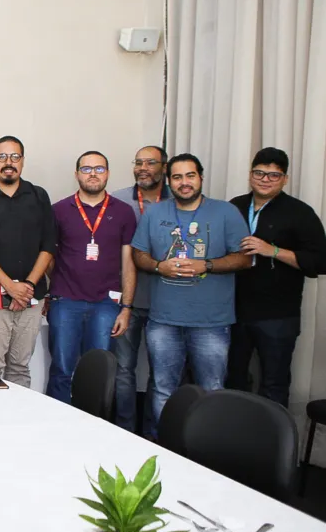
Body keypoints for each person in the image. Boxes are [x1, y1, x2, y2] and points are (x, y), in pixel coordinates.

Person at [131, 153, 251, 423]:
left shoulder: (226, 212)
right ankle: (166, 450)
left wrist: (205, 265)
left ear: (201, 177)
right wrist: (159, 266)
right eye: (177, 177)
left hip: (211, 322)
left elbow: (244, 259)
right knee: (163, 389)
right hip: (163, 319)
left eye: (190, 176)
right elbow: (139, 255)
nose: (184, 182)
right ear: (168, 180)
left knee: (212, 391)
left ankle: (207, 454)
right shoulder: (155, 212)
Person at [228, 148, 326, 406]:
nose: (265, 179)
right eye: (260, 172)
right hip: (233, 311)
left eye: (274, 174)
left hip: (278, 316)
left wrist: (273, 251)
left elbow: (320, 261)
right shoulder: (234, 206)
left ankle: (272, 443)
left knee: (274, 384)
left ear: (285, 179)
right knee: (233, 379)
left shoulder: (300, 212)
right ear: (250, 175)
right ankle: (230, 439)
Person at [45, 152, 137, 403]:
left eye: (99, 169)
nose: (93, 174)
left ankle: (93, 430)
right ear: (76, 175)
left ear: (107, 173)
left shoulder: (123, 212)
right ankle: (57, 428)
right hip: (65, 303)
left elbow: (128, 263)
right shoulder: (59, 210)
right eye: (86, 169)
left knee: (99, 373)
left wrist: (126, 308)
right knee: (62, 371)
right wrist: (60, 286)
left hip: (106, 305)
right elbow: (48, 257)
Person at [0, 136, 56, 387]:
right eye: (2, 157)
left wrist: (25, 286)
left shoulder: (38, 196)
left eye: (15, 157)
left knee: (19, 367)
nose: (9, 162)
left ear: (23, 161)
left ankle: (18, 421)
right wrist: (10, 286)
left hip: (31, 298)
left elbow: (48, 246)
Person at [110, 146, 169, 432]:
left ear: (164, 167)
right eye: (138, 162)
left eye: (151, 162)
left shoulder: (178, 201)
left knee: (163, 375)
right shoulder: (117, 201)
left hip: (167, 302)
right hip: (125, 301)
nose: (143, 167)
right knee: (123, 370)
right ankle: (125, 431)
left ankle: (155, 437)